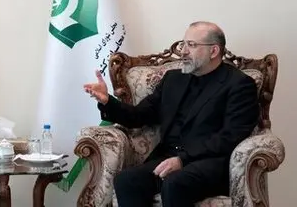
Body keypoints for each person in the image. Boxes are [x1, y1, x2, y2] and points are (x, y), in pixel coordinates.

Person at [83, 21, 259, 206]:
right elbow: (139, 115)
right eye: (184, 44)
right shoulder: (173, 79)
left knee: (175, 183)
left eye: (191, 45)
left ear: (213, 51)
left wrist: (183, 160)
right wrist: (107, 101)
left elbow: (230, 136)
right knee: (127, 180)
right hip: (167, 158)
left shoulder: (239, 85)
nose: (183, 51)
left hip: (209, 163)